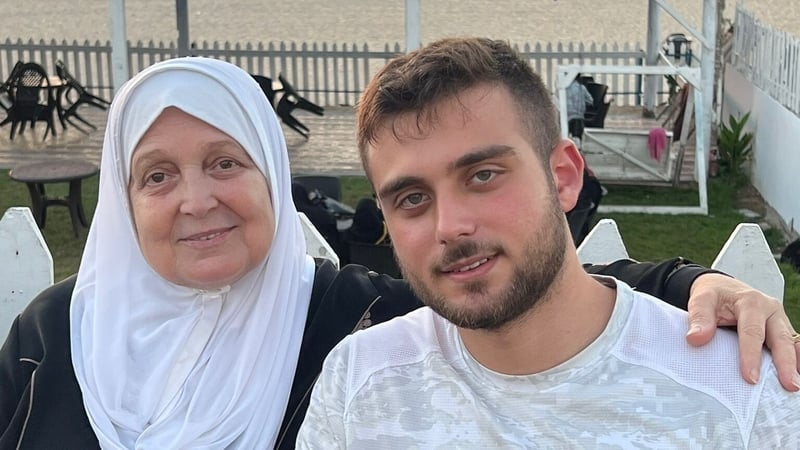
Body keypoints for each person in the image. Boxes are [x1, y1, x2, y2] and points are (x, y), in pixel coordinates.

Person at [0, 58, 795, 449]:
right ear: (124, 197)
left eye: (227, 163)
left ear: (272, 178)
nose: (196, 199)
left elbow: (512, 287)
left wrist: (697, 282)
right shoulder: (53, 335)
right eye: (157, 175)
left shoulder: (342, 321)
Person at [297, 38, 800, 448]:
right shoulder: (359, 381)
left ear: (563, 176)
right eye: (411, 198)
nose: (448, 226)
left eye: (483, 175)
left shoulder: (741, 393)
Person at [566, 74, 594, 144]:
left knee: (565, 138)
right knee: (577, 138)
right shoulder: (582, 88)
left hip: (566, 118)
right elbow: (590, 101)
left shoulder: (564, 88)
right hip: (578, 117)